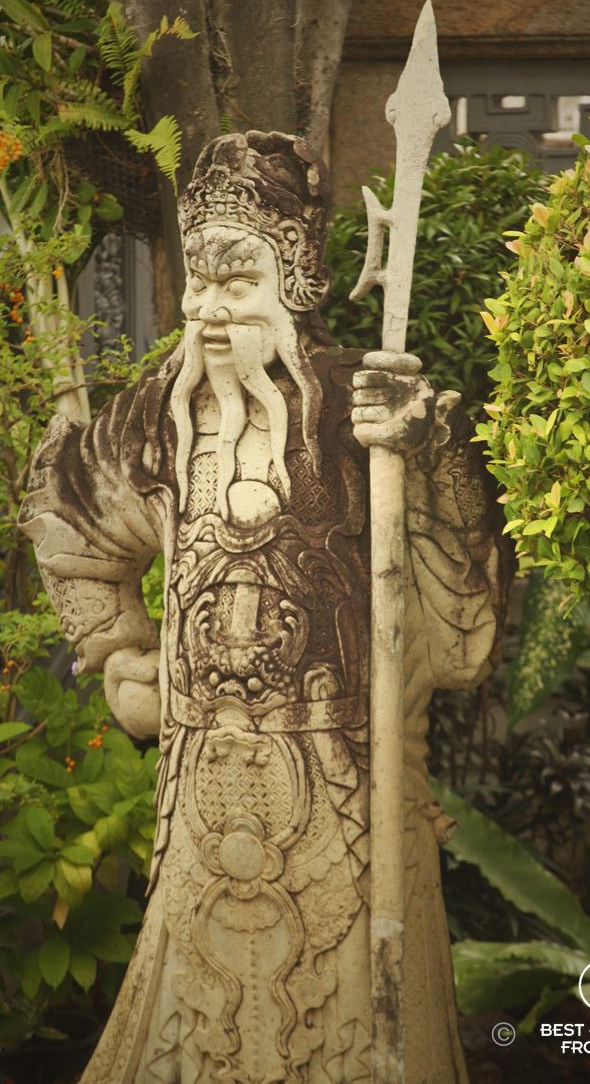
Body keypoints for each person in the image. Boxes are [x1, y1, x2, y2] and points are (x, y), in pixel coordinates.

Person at [19, 132, 508, 1084]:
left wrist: (431, 450)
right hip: (200, 785)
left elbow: (463, 592)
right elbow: (64, 512)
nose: (206, 309)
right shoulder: (159, 412)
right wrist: (121, 651)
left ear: (293, 281)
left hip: (344, 782)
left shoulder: (357, 406)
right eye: (197, 283)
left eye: (236, 282)